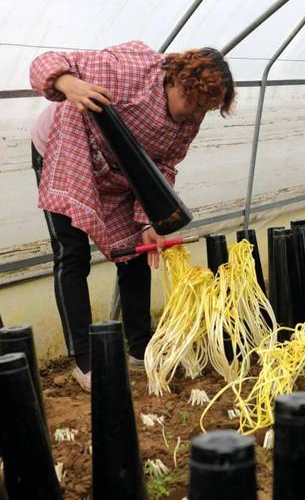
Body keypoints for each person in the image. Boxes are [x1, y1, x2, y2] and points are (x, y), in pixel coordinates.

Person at [30, 41, 235, 391]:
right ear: (175, 81)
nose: (195, 113)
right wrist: (67, 83)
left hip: (118, 169)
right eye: (193, 102)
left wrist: (147, 221)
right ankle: (84, 359)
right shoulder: (129, 71)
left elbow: (163, 166)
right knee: (72, 252)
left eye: (206, 108)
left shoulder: (190, 117)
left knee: (135, 253)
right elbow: (45, 61)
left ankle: (139, 347)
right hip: (66, 146)